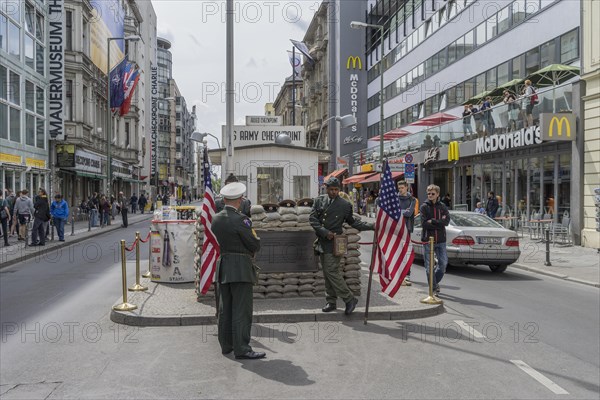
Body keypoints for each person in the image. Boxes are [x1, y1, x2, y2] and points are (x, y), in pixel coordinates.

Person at [211, 182, 265, 360]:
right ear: (240, 200)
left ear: (225, 199)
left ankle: (226, 345)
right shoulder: (242, 220)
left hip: (224, 264)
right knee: (242, 310)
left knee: (225, 308)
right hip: (240, 266)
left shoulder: (216, 218)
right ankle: (242, 348)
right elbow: (254, 244)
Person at [310, 177, 375, 314]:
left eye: (336, 190)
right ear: (326, 188)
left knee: (332, 271)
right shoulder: (319, 200)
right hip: (322, 241)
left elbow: (354, 223)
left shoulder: (345, 205)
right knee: (327, 274)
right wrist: (324, 232)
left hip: (336, 243)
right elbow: (313, 219)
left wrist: (372, 226)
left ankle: (349, 298)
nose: (334, 192)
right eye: (331, 189)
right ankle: (331, 301)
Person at [420, 184, 450, 294]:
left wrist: (432, 221)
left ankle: (434, 282)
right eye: (428, 193)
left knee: (443, 264)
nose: (430, 195)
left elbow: (446, 222)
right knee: (429, 267)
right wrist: (439, 223)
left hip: (441, 240)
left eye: (432, 193)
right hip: (428, 240)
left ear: (437, 194)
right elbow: (424, 224)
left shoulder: (442, 206)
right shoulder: (424, 207)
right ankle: (433, 288)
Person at [397, 181, 417, 285]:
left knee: (406, 252)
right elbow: (393, 212)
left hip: (407, 228)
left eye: (402, 188)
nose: (400, 190)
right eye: (399, 188)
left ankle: (407, 274)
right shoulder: (395, 199)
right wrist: (402, 211)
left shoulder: (412, 199)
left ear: (406, 188)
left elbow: (409, 213)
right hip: (396, 228)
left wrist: (400, 212)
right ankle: (397, 273)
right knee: (396, 252)